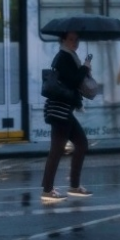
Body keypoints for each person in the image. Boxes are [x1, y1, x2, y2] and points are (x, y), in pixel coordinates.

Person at [41, 31, 92, 202]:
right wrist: (85, 67)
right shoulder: (63, 57)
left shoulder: (69, 56)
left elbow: (74, 81)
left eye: (77, 39)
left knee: (81, 143)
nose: (75, 42)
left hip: (64, 109)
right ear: (63, 40)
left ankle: (74, 186)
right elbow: (73, 81)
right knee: (56, 150)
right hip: (59, 110)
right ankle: (48, 190)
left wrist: (84, 67)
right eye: (71, 39)